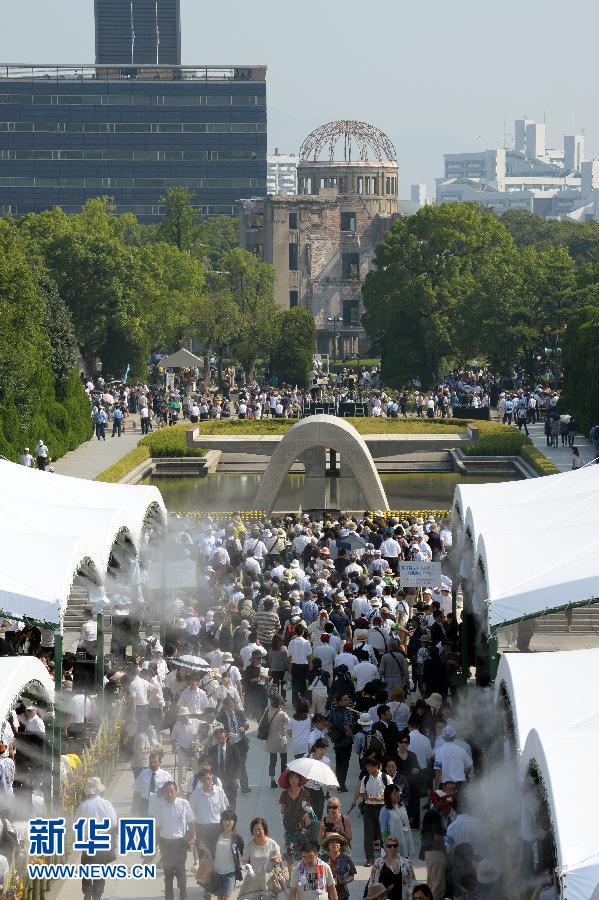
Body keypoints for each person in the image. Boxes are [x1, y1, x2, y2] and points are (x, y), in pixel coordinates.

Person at [76, 778, 117, 900]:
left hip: (87, 842)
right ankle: (97, 895)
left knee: (87, 869)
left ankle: (87, 894)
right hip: (102, 841)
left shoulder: (82, 806)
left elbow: (78, 824)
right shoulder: (106, 804)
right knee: (100, 870)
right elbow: (114, 822)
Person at [155, 781, 194, 900]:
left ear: (176, 791)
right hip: (165, 843)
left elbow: (191, 821)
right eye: (167, 792)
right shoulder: (161, 807)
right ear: (164, 793)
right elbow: (157, 827)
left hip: (180, 843)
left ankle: (183, 896)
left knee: (181, 871)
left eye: (172, 791)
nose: (170, 794)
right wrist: (156, 844)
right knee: (168, 874)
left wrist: (193, 837)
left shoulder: (184, 804)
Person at [237, 817, 283, 900]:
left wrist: (276, 859)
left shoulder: (272, 844)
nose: (257, 832)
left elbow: (278, 857)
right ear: (252, 831)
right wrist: (248, 868)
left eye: (259, 829)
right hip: (253, 882)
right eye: (255, 830)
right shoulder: (249, 845)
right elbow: (244, 860)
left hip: (268, 881)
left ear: (264, 830)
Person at [189, 768, 230, 857]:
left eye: (208, 779)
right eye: (204, 780)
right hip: (201, 828)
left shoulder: (219, 792)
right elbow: (190, 813)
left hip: (217, 828)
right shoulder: (196, 794)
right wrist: (193, 832)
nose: (207, 782)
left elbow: (224, 811)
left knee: (217, 855)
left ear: (211, 778)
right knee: (203, 857)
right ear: (200, 781)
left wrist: (226, 829)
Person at [420, 790, 451, 900]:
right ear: (437, 801)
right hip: (435, 853)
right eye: (443, 801)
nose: (445, 804)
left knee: (432, 885)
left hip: (432, 853)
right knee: (438, 888)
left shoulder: (433, 813)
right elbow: (437, 837)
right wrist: (450, 839)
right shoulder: (434, 814)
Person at [279, 769, 313, 867]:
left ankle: (303, 875)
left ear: (299, 779)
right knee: (290, 854)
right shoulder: (284, 794)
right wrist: (284, 828)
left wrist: (305, 810)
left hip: (302, 828)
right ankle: (291, 879)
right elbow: (282, 811)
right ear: (288, 780)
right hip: (289, 828)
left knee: (305, 854)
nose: (294, 780)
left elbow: (309, 810)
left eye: (296, 777)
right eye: (291, 778)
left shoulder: (305, 793)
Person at [366, 835, 415, 900]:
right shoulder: (378, 862)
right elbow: (372, 881)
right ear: (385, 847)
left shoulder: (406, 863)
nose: (392, 848)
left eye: (395, 845)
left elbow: (412, 882)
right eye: (389, 846)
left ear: (398, 846)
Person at [211, 809, 244, 900]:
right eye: (225, 819)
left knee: (226, 897)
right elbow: (211, 850)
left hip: (230, 873)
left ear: (234, 822)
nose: (227, 822)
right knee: (220, 897)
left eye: (230, 819)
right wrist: (203, 847)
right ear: (221, 821)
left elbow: (244, 853)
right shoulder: (216, 835)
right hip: (217, 872)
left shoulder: (237, 838)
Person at [208, 726, 242, 810]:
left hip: (230, 780)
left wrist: (237, 777)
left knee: (231, 805)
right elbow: (209, 765)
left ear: (226, 737)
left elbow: (238, 763)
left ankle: (231, 821)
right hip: (216, 781)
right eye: (218, 738)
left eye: (222, 738)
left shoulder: (233, 748)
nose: (221, 740)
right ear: (215, 738)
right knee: (217, 804)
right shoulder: (211, 750)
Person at [379, 783, 414, 860]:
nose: (398, 795)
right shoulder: (385, 810)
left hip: (404, 839)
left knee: (405, 863)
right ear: (389, 795)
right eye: (395, 793)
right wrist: (387, 845)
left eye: (398, 792)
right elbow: (384, 830)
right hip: (393, 844)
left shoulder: (402, 805)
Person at [328, 693, 355, 792]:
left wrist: (331, 734)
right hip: (346, 741)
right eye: (345, 700)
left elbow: (328, 722)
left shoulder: (334, 711)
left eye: (348, 699)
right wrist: (353, 736)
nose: (348, 701)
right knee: (345, 763)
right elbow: (346, 726)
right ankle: (342, 784)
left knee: (338, 763)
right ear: (339, 701)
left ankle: (338, 782)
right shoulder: (346, 712)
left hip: (337, 740)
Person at [319, 834, 356, 900]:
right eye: (332, 842)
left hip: (342, 893)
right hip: (325, 893)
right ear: (328, 845)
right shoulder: (322, 859)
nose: (335, 844)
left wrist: (345, 881)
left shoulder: (346, 858)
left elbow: (352, 876)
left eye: (337, 842)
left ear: (340, 845)